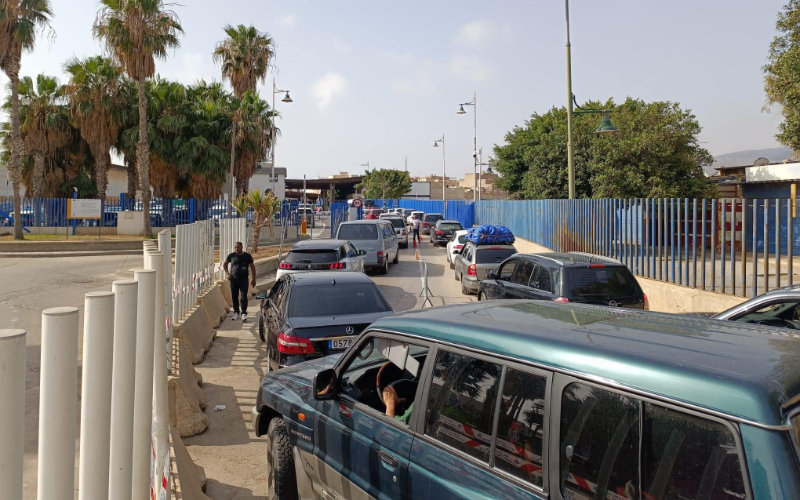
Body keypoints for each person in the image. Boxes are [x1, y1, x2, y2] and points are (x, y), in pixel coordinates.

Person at [223, 241, 256, 321]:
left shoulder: (247, 256)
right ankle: (236, 312)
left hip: (244, 280)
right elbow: (225, 264)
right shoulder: (231, 256)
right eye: (235, 247)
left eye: (238, 247)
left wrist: (254, 279)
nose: (236, 249)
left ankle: (244, 313)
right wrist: (228, 273)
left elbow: (252, 268)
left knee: (244, 296)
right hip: (234, 280)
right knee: (234, 296)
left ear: (241, 247)